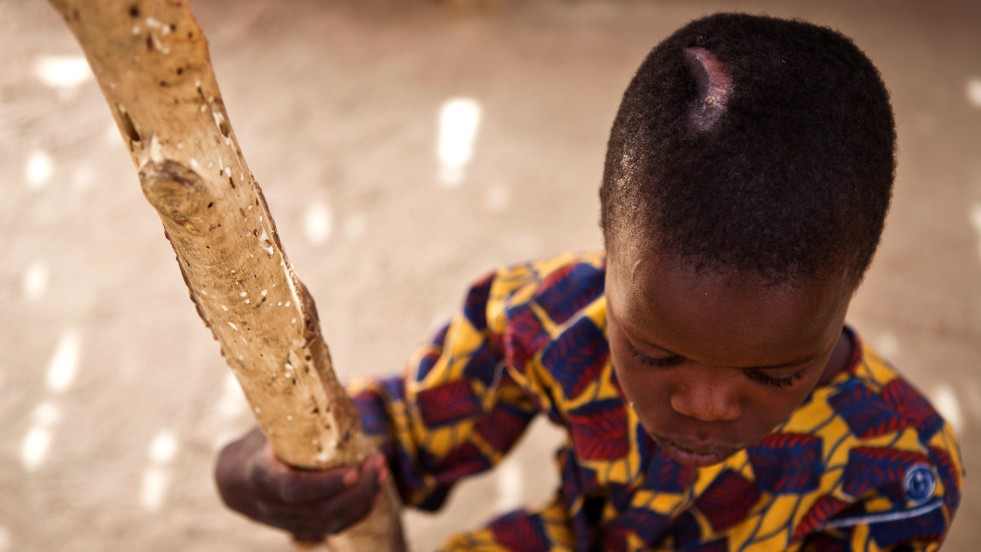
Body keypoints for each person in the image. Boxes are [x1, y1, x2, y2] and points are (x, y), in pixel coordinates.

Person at [214, 13, 964, 550]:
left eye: (775, 371)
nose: (702, 403)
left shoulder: (894, 473)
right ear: (607, 233)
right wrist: (281, 470)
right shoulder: (545, 319)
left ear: (849, 291)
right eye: (656, 353)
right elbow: (404, 435)